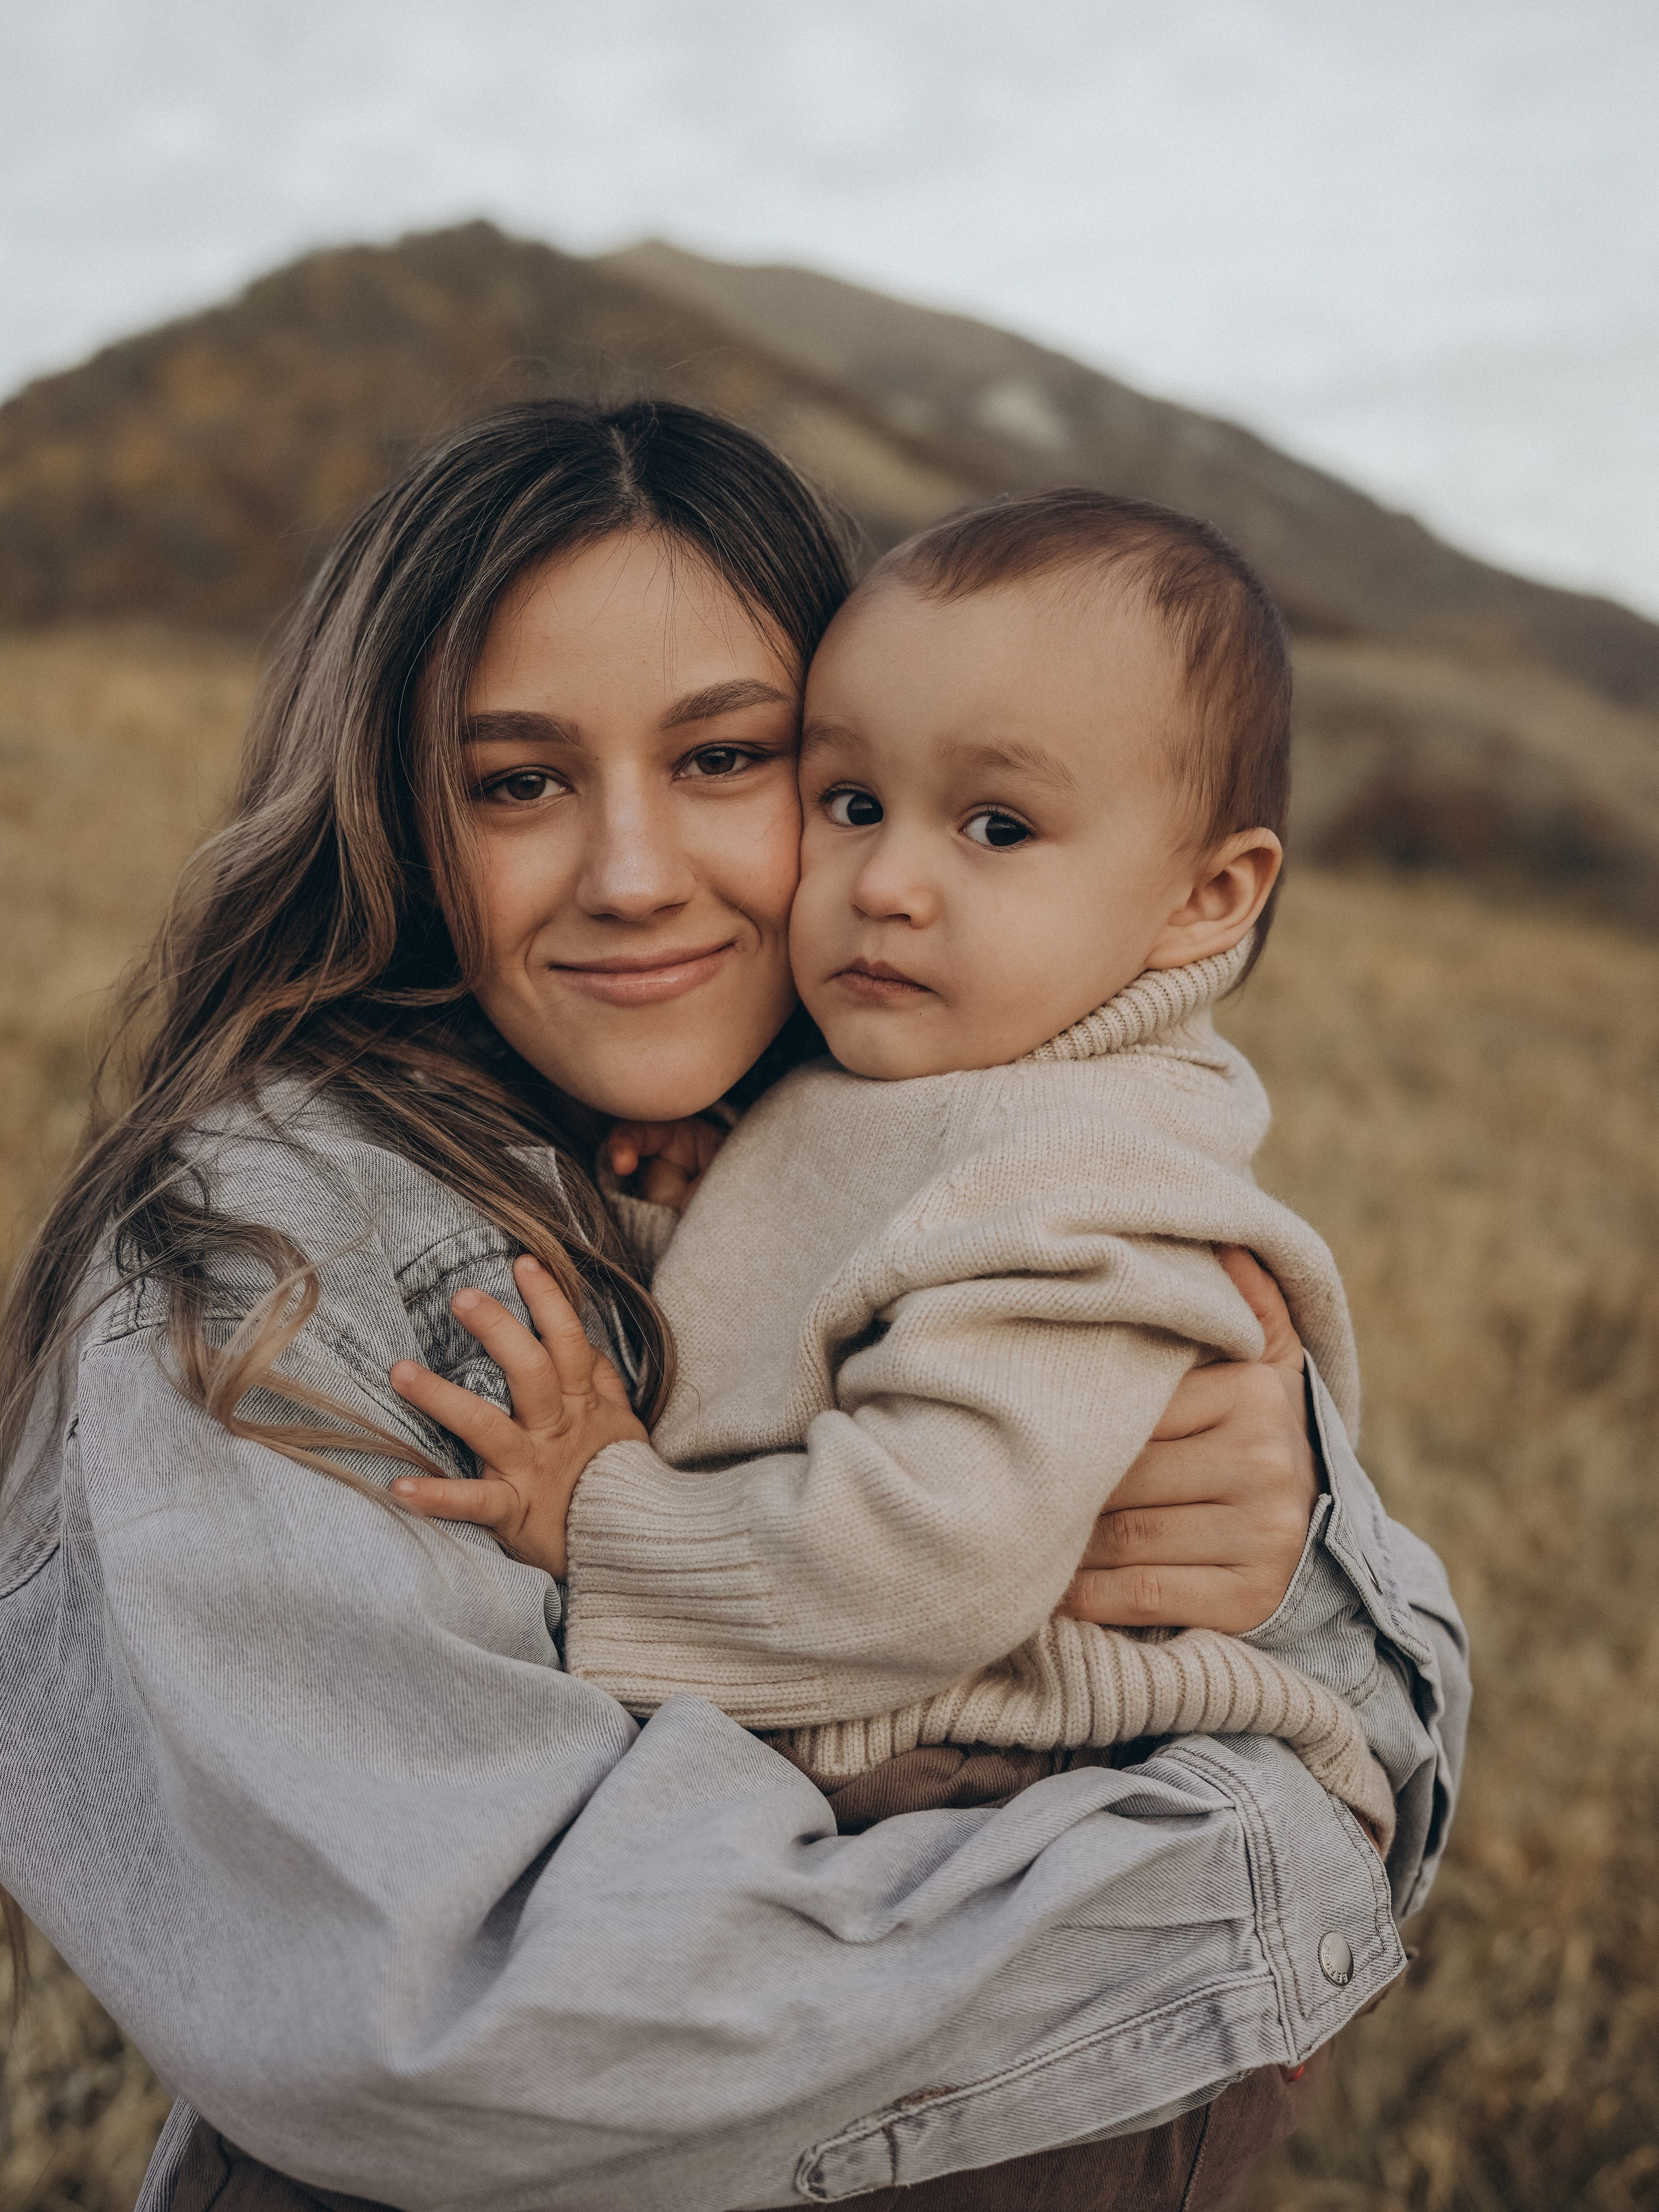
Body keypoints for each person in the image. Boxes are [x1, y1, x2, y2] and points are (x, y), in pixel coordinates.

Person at [0, 401, 1467, 2212]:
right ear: (395, 811)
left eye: (726, 760)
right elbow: (451, 2011)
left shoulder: (917, 1130)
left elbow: (1317, 1669)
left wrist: (1301, 1515)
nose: (633, 871)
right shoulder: (287, 1235)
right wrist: (1259, 1887)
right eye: (520, 780)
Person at [388, 486, 1395, 1850]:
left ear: (1205, 898)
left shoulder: (1089, 1175)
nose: (883, 882)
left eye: (996, 827)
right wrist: (737, 1180)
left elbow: (932, 1560)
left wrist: (600, 1521)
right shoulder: (947, 1076)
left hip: (1017, 1788)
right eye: (851, 803)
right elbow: (865, 1277)